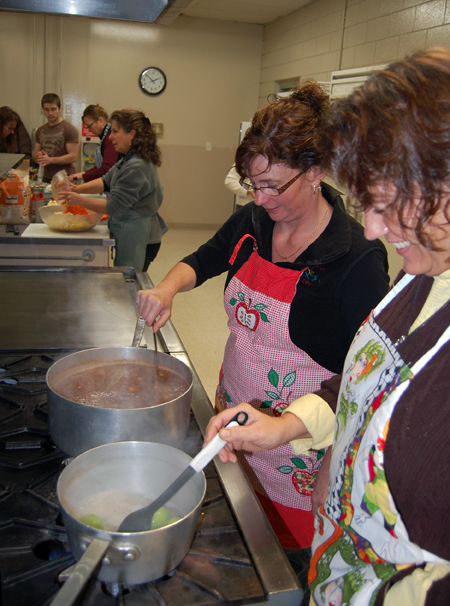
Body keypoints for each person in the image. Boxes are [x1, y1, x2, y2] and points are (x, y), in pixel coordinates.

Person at [205, 48, 450, 606]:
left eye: (391, 203)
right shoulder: (423, 279)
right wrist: (287, 425)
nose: (371, 228)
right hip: (337, 565)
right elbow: (361, 380)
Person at [137, 81, 390, 595]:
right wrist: (166, 286)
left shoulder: (356, 260)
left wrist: (331, 464)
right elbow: (206, 257)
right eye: (253, 184)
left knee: (279, 570)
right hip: (237, 413)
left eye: (274, 185)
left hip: (303, 448)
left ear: (316, 172)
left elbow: (364, 377)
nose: (260, 197)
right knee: (235, 539)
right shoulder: (253, 219)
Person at [61, 109, 168, 272]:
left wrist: (78, 199)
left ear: (131, 134)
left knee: (128, 283)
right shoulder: (129, 158)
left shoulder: (136, 166)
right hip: (132, 229)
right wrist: (77, 188)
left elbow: (113, 207)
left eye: (115, 131)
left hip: (139, 235)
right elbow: (106, 181)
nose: (110, 137)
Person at [33, 93, 79, 182]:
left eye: (53, 109)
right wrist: (39, 156)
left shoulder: (69, 129)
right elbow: (35, 154)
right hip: (47, 176)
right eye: (46, 110)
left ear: (60, 108)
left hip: (66, 176)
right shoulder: (40, 130)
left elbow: (73, 157)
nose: (50, 113)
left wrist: (50, 160)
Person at [69, 104, 119, 183]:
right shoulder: (104, 137)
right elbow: (100, 167)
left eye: (89, 126)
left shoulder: (110, 138)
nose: (88, 130)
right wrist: (81, 174)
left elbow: (106, 169)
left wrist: (83, 176)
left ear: (100, 120)